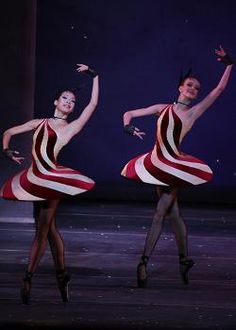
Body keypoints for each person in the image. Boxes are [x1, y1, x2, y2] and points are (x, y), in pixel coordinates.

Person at [121, 46, 233, 288]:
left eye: (196, 88)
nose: (193, 90)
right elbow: (129, 113)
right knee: (174, 213)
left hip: (172, 167)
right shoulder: (162, 108)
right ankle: (184, 260)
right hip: (156, 163)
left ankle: (143, 262)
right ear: (180, 87)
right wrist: (128, 127)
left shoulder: (193, 113)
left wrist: (229, 64)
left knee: (161, 213)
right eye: (190, 85)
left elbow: (220, 89)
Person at [1, 63, 99, 303]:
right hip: (35, 178)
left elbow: (93, 105)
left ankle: (28, 277)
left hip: (52, 180)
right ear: (56, 102)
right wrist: (6, 150)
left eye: (72, 101)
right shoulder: (38, 122)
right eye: (65, 98)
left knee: (42, 230)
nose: (68, 102)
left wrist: (95, 76)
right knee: (50, 229)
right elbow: (9, 132)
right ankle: (63, 276)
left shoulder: (70, 127)